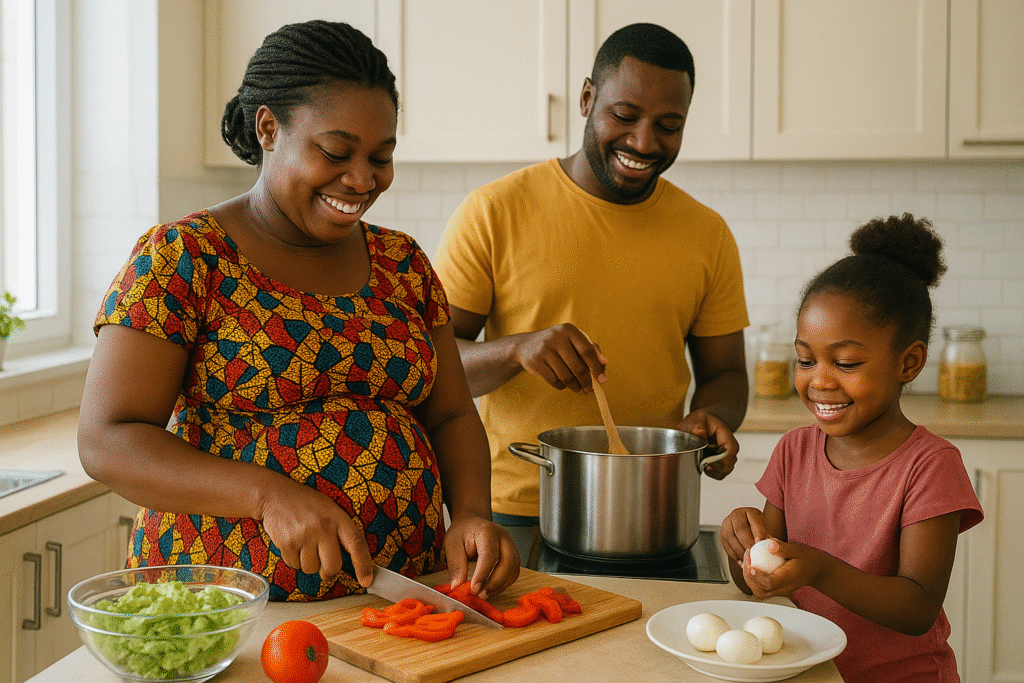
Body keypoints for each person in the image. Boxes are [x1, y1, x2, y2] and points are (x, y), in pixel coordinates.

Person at [77, 20, 519, 602]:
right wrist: (266, 495)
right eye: (336, 152)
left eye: (381, 157)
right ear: (268, 128)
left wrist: (469, 514)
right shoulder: (187, 257)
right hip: (229, 607)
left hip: (406, 599)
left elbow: (453, 416)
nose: (362, 179)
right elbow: (107, 440)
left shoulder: (402, 263)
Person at [433, 23, 749, 523]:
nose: (644, 142)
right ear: (586, 98)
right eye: (624, 116)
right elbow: (431, 362)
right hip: (516, 507)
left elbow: (727, 375)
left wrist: (714, 417)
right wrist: (518, 349)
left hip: (650, 503)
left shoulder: (706, 233)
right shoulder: (494, 211)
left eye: (669, 125)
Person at [720, 214, 983, 682]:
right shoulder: (793, 450)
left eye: (845, 362)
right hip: (810, 673)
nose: (818, 380)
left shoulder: (930, 466)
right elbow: (762, 581)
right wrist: (742, 550)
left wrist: (821, 570)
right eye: (805, 359)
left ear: (909, 362)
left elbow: (918, 606)